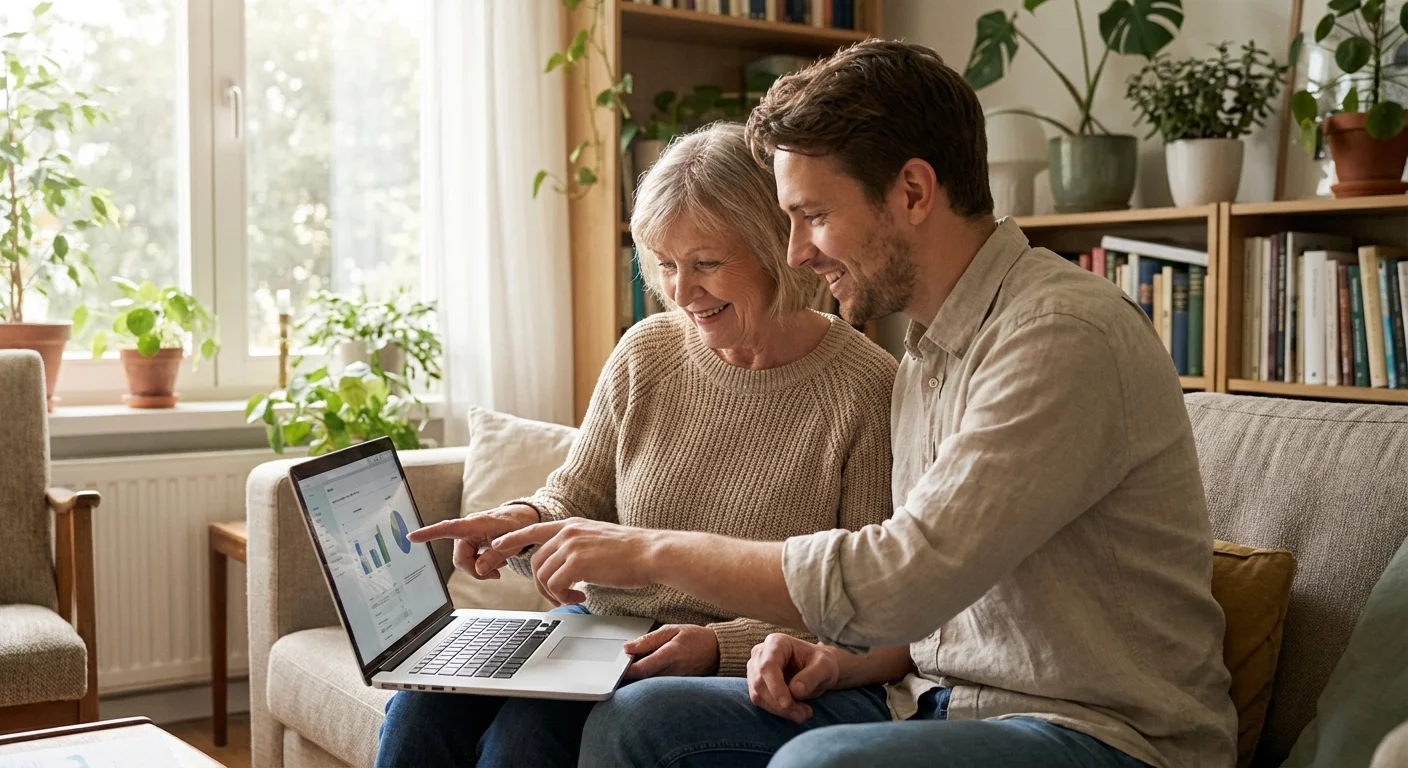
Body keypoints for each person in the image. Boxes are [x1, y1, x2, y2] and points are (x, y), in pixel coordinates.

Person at [489, 40, 1238, 768]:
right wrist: (826, 660)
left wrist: (647, 548)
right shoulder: (927, 352)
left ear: (912, 192)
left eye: (812, 215)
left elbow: (897, 581)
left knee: (824, 763)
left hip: (1096, 731)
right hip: (935, 699)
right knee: (644, 721)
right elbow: (920, 623)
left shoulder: (1058, 337)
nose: (796, 254)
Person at [373, 121, 898, 768]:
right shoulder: (646, 351)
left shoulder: (867, 391)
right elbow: (576, 495)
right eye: (666, 265)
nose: (681, 292)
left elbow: (871, 606)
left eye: (706, 264)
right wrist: (523, 522)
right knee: (423, 703)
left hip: (737, 660)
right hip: (602, 635)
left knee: (527, 739)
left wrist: (719, 647)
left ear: (777, 248)